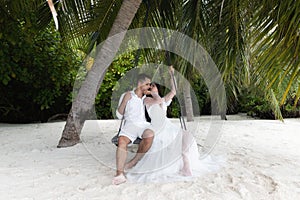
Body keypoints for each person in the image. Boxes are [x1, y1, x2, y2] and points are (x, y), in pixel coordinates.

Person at [125, 66, 219, 183]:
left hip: (168, 125)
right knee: (171, 139)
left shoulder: (163, 100)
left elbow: (174, 91)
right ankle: (185, 165)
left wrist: (171, 75)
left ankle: (186, 163)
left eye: (154, 86)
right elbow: (159, 101)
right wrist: (153, 94)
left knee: (187, 136)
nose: (152, 87)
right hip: (157, 127)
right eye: (150, 86)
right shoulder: (147, 100)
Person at [112, 73, 155, 185]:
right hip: (129, 125)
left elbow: (163, 101)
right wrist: (125, 101)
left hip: (143, 126)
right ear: (139, 84)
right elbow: (119, 115)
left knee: (150, 134)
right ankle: (119, 173)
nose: (149, 86)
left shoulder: (146, 98)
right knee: (122, 142)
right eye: (147, 84)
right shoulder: (127, 95)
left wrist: (154, 93)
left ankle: (134, 161)